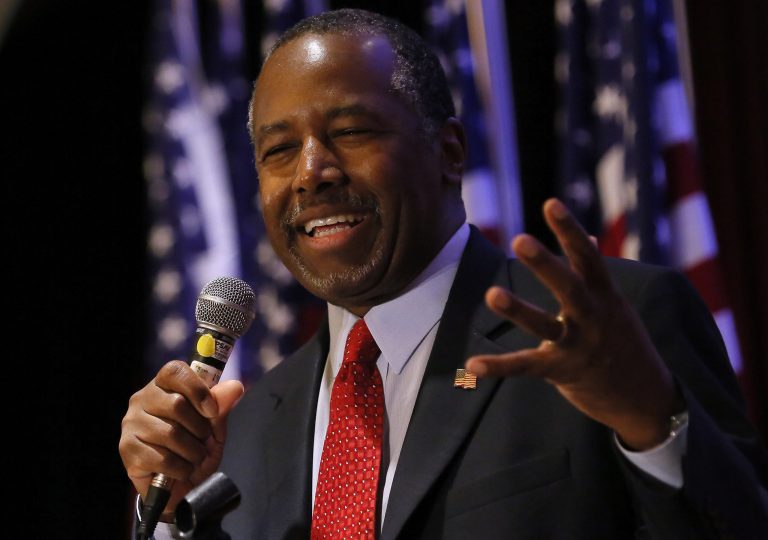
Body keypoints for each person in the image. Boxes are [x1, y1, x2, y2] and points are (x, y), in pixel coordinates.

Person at [119, 8, 768, 539]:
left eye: (350, 130)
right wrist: (171, 515)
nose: (312, 170)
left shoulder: (606, 333)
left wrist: (653, 422)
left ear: (448, 152)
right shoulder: (248, 427)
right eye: (280, 150)